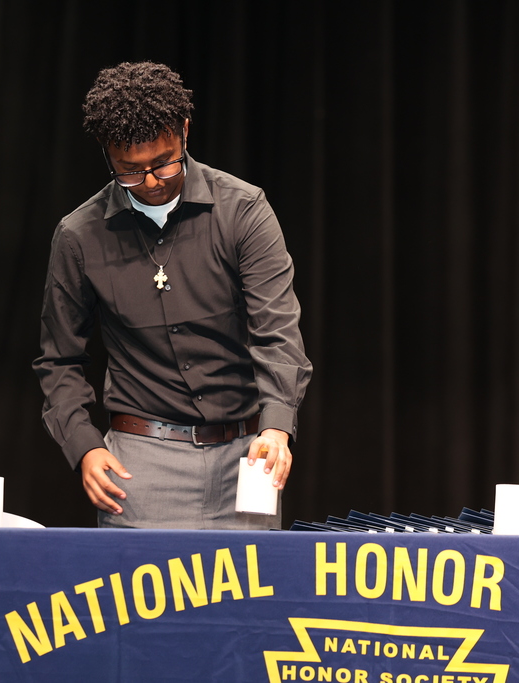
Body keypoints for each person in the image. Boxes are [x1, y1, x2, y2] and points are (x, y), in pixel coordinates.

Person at [33, 61, 312, 529]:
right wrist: (84, 446)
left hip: (246, 457)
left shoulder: (243, 210)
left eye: (164, 163)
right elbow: (58, 359)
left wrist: (277, 425)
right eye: (130, 171)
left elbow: (278, 330)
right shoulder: (79, 236)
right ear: (107, 154)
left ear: (184, 131)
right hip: (138, 467)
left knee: (248, 600)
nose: (151, 183)